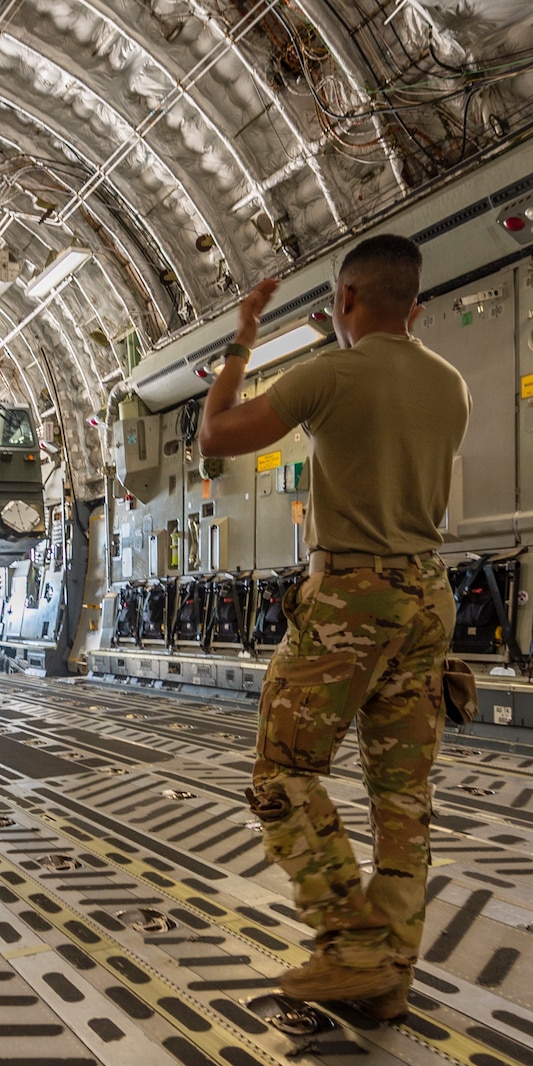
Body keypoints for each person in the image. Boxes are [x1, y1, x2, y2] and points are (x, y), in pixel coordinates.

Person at [196, 234, 470, 1014]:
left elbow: (214, 438)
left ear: (345, 301)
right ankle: (390, 973)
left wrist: (244, 340)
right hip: (428, 599)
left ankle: (349, 948)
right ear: (413, 307)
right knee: (402, 796)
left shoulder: (332, 372)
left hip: (354, 596)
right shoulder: (451, 385)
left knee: (280, 772)